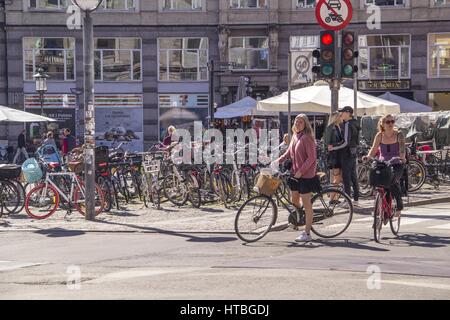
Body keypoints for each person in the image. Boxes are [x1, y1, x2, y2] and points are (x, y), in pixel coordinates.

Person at [274, 114, 321, 242]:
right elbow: (288, 153)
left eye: (301, 122)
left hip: (306, 175)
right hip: (295, 174)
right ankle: (299, 218)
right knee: (294, 199)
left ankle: (307, 233)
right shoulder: (295, 136)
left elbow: (312, 158)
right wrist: (276, 161)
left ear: (305, 124)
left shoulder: (307, 138)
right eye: (296, 121)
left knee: (307, 204)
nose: (298, 124)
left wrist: (301, 171)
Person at [363, 114, 406, 216]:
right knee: (376, 179)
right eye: (388, 122)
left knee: (392, 180)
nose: (391, 124)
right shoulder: (379, 135)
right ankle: (379, 205)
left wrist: (402, 157)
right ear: (382, 124)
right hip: (383, 164)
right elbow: (373, 149)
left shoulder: (399, 134)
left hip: (396, 163)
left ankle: (399, 206)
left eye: (392, 121)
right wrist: (368, 157)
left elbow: (402, 149)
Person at [330, 106, 361, 206]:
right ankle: (356, 199)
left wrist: (333, 147)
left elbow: (345, 142)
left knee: (346, 177)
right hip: (353, 152)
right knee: (353, 176)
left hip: (346, 153)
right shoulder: (355, 123)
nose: (341, 114)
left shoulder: (347, 124)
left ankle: (347, 200)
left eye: (342, 112)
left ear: (348, 113)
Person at [324, 112, 344, 195]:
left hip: (338, 155)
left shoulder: (337, 127)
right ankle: (332, 197)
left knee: (338, 177)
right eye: (339, 116)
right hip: (334, 156)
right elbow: (327, 144)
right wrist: (340, 143)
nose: (341, 118)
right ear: (336, 117)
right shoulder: (330, 128)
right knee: (337, 177)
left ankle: (334, 196)